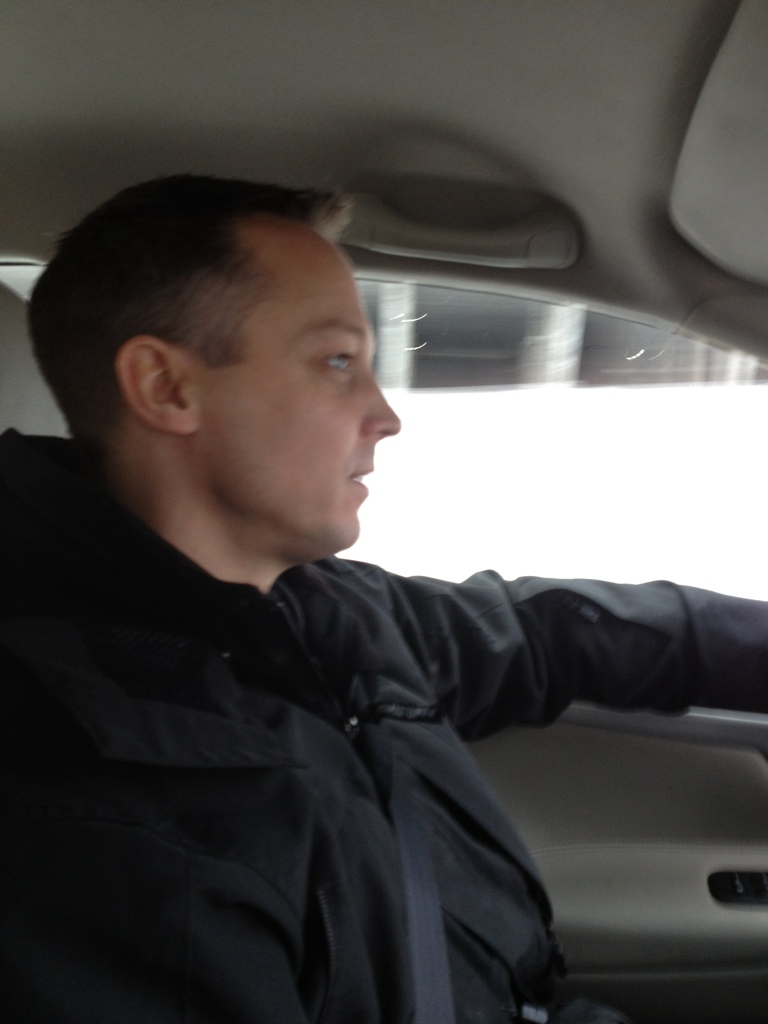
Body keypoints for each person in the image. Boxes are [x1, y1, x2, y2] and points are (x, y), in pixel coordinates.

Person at [1, 175, 767, 1024]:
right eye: (338, 362)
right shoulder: (85, 809)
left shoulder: (316, 609)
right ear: (166, 387)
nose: (385, 414)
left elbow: (546, 633)